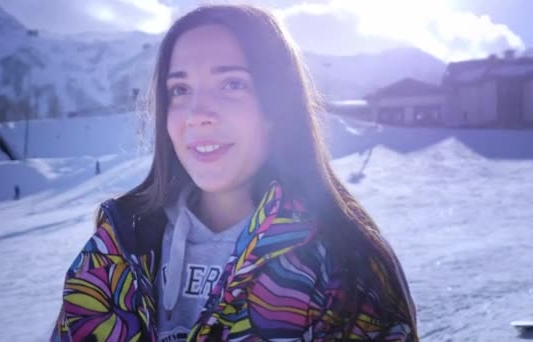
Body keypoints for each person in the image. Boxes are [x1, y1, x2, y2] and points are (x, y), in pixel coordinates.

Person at [50, 5, 418, 341]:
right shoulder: (114, 246)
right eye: (180, 89)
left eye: (231, 84)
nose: (198, 113)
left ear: (277, 107)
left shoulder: (344, 266)